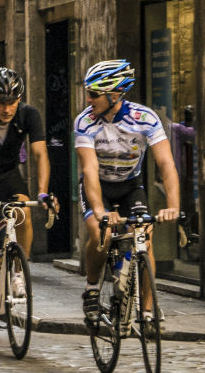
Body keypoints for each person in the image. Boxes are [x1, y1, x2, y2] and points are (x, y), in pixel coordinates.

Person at [75, 59, 180, 322]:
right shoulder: (85, 121)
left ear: (115, 94)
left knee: (144, 235)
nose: (88, 99)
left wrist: (173, 205)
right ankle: (91, 287)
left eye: (94, 94)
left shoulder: (145, 118)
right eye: (88, 93)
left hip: (130, 186)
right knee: (101, 233)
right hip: (98, 186)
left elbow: (166, 163)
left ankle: (147, 310)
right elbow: (89, 169)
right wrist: (100, 211)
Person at [0, 67, 56, 259]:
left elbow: (40, 154)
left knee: (23, 212)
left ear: (19, 99)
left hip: (8, 174)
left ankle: (20, 267)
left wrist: (43, 192)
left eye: (12, 103)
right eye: (1, 103)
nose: (7, 109)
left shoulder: (29, 114)